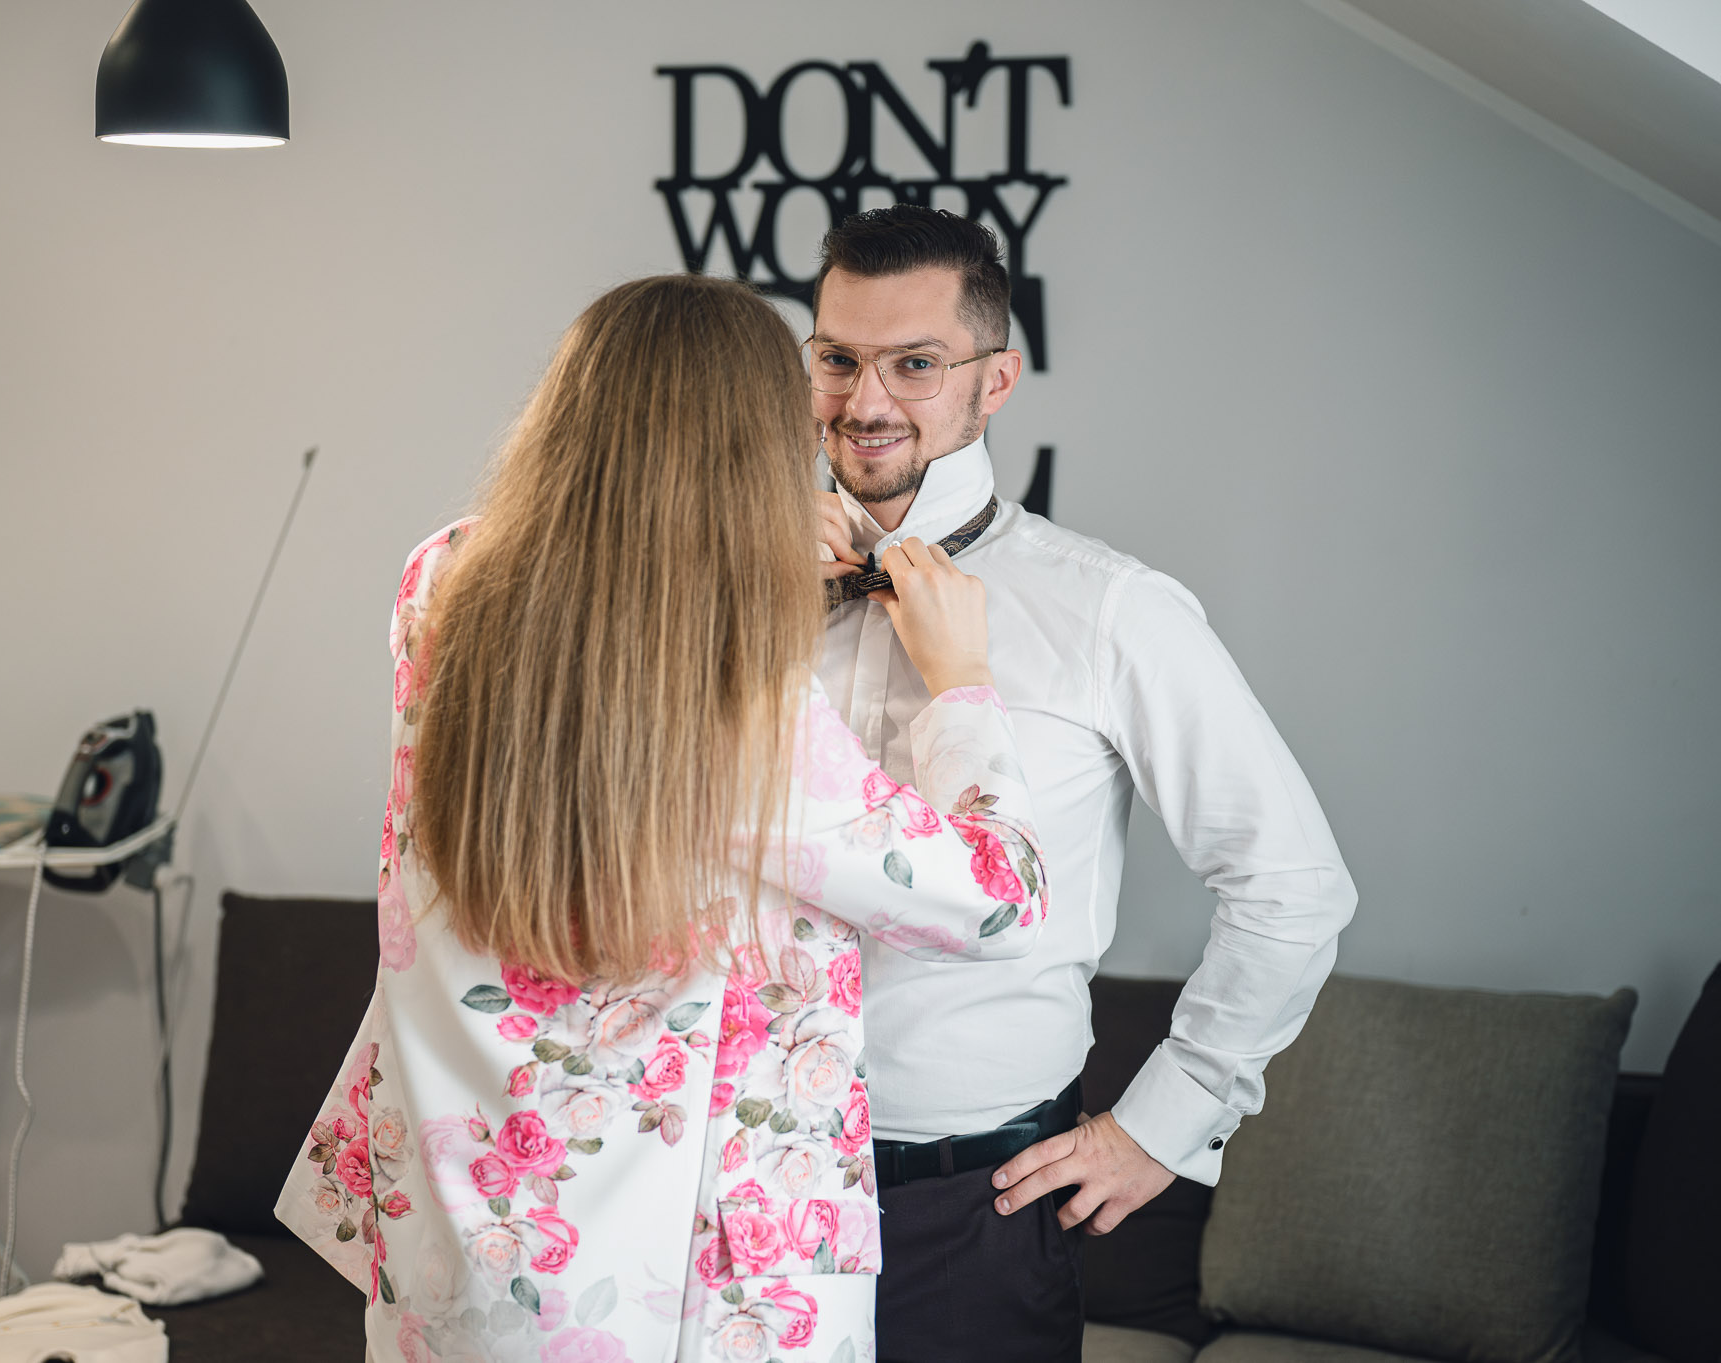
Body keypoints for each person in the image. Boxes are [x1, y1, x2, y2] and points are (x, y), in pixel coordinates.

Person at [276, 273, 1052, 1362]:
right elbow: (1001, 898)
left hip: (460, 1240)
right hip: (688, 1291)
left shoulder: (440, 581)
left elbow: (603, 615)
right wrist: (960, 683)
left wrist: (745, 558)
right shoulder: (736, 693)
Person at [806, 205, 1358, 1362]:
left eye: (914, 364)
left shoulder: (1110, 609)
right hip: (732, 1184)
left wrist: (1161, 1125)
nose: (865, 400)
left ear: (994, 380)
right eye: (838, 358)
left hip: (969, 1214)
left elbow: (1291, 885)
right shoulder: (725, 588)